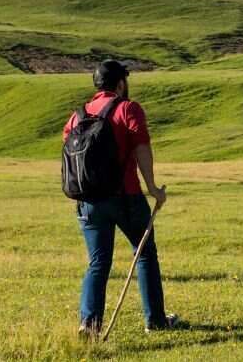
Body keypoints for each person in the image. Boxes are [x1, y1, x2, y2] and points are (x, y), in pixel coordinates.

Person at [63, 60, 177, 339]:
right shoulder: (128, 108)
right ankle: (155, 320)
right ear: (120, 83)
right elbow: (141, 148)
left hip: (89, 201)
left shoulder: (77, 116)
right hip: (126, 196)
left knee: (98, 262)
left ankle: (88, 325)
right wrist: (152, 187)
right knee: (145, 253)